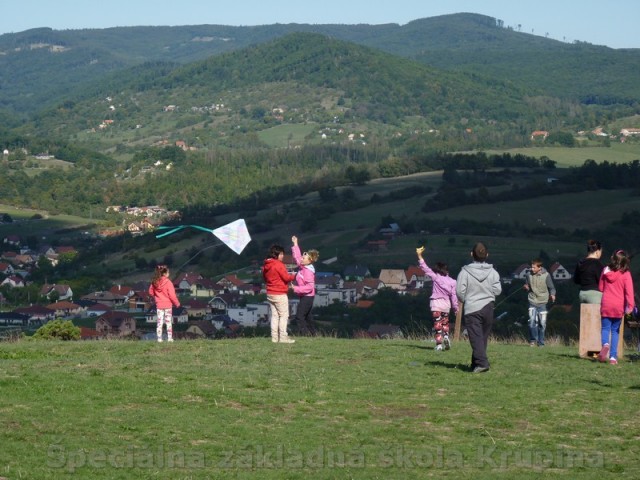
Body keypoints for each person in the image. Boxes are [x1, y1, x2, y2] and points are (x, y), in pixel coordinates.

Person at [456, 242, 502, 373]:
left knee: (475, 337)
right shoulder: (493, 272)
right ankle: (475, 363)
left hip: (472, 308)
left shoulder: (464, 272)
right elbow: (497, 290)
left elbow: (459, 291)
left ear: (471, 254)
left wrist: (465, 299)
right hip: (488, 307)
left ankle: (482, 363)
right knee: (482, 338)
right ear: (487, 255)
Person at [416, 245, 458, 350]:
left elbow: (425, 268)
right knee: (445, 322)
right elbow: (454, 296)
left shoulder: (436, 277)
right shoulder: (453, 282)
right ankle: (446, 336)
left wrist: (419, 255)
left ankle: (439, 345)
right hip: (446, 304)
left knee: (437, 324)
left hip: (436, 304)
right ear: (447, 271)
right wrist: (456, 308)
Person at [598, 249, 635, 365]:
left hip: (606, 304)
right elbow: (629, 292)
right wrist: (630, 306)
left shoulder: (605, 270)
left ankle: (605, 344)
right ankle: (613, 357)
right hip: (618, 306)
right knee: (615, 331)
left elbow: (601, 288)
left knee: (605, 328)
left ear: (613, 259)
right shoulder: (626, 274)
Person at [262, 244, 297, 343]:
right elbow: (286, 278)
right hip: (280, 293)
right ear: (275, 254)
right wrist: (294, 276)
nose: (282, 256)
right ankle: (283, 337)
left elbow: (265, 278)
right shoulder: (278, 264)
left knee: (274, 316)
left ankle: (274, 337)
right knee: (284, 315)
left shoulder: (266, 265)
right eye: (281, 254)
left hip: (270, 293)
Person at [523, 259, 556, 347]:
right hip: (532, 301)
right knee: (531, 321)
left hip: (543, 302)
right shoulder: (528, 275)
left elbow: (552, 288)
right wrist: (526, 288)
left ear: (539, 267)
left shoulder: (546, 275)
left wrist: (552, 295)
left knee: (542, 324)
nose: (532, 269)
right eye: (531, 267)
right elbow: (527, 287)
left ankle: (541, 343)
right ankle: (533, 340)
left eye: (534, 267)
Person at [291, 235, 319, 336]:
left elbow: (310, 287)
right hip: (306, 296)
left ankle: (305, 335)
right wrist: (295, 244)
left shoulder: (308, 272)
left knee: (299, 316)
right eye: (303, 257)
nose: (301, 259)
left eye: (304, 258)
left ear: (310, 260)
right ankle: (314, 334)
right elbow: (297, 257)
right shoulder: (303, 266)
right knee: (307, 317)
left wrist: (296, 288)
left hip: (307, 297)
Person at [148, 264, 180, 343]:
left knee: (159, 322)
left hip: (159, 305)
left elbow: (150, 292)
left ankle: (159, 339)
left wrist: (156, 295)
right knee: (168, 322)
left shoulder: (154, 282)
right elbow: (172, 295)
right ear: (165, 273)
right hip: (168, 305)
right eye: (168, 272)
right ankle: (169, 338)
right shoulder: (169, 283)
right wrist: (177, 303)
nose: (169, 274)